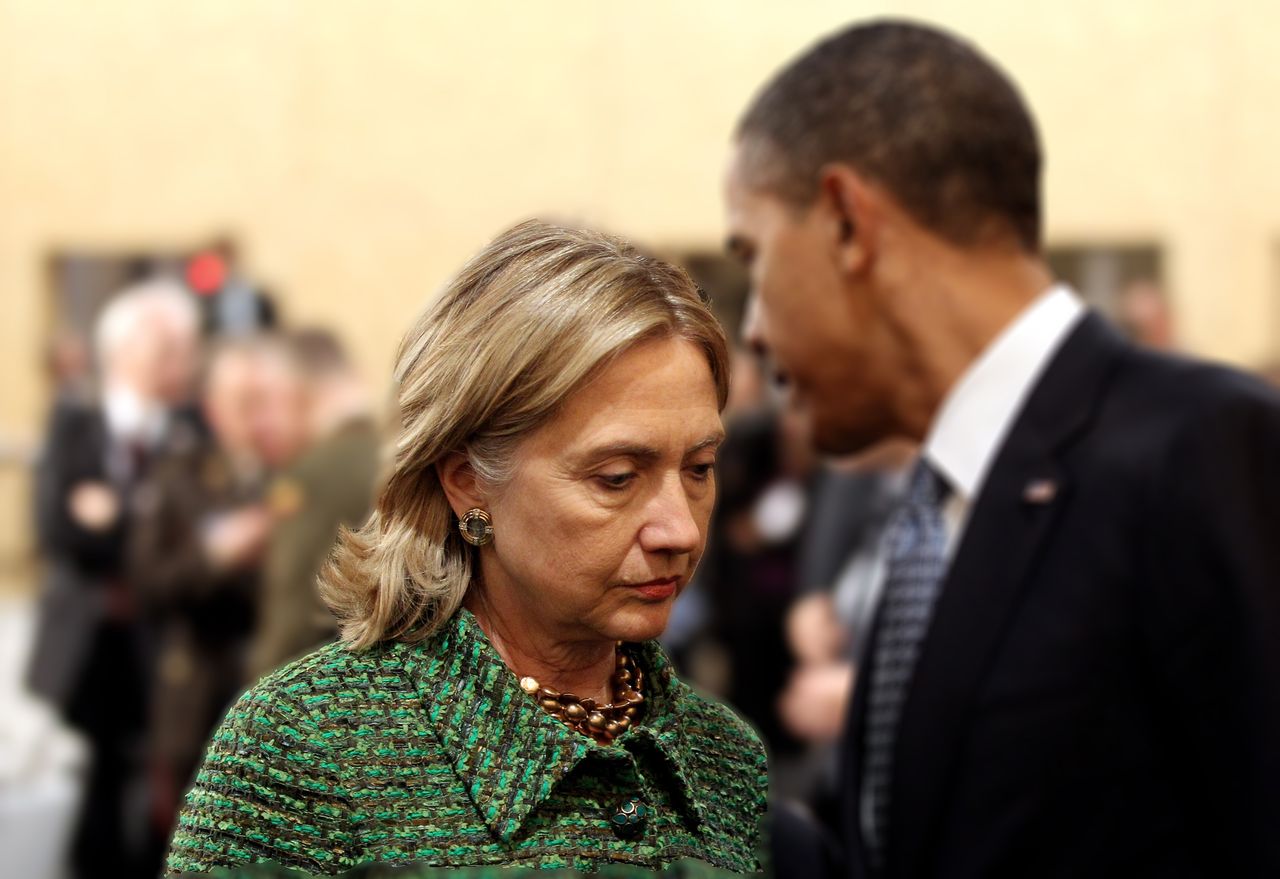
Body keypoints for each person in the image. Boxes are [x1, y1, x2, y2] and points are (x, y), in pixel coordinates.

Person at [725, 19, 1280, 878]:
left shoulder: (1205, 450)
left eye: (753, 258)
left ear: (845, 222)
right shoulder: (933, 504)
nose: (753, 327)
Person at [166, 220, 768, 875]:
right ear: (468, 483)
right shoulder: (308, 744)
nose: (678, 528)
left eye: (700, 468)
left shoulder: (725, 757)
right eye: (616, 477)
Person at [27, 277, 202, 878]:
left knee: (167, 780)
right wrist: (149, 525)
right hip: (93, 638)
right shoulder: (76, 424)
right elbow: (57, 529)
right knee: (100, 782)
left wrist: (117, 516)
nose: (183, 363)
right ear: (124, 352)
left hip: (166, 637)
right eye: (168, 349)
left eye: (185, 348)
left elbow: (192, 545)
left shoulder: (193, 432)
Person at [246, 328, 379, 680]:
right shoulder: (388, 454)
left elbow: (294, 616)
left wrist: (252, 713)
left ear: (298, 391)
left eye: (264, 401)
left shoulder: (315, 476)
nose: (258, 424)